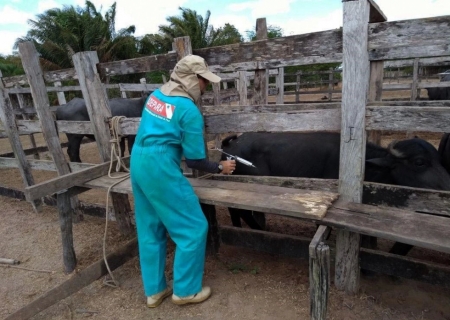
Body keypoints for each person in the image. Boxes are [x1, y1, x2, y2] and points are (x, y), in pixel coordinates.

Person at [130, 54, 236, 308]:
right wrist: (221, 166)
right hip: (160, 166)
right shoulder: (189, 110)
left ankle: (154, 291)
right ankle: (186, 291)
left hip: (138, 160)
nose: (205, 87)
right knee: (193, 227)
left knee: (150, 228)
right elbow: (196, 161)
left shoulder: (156, 96)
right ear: (191, 79)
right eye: (203, 81)